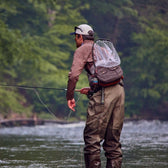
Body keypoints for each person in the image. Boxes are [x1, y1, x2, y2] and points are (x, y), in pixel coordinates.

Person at [66, 24, 125, 168]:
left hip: (105, 95)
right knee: (113, 142)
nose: (75, 39)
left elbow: (73, 76)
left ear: (80, 37)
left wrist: (70, 96)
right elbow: (107, 76)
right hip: (119, 92)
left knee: (92, 139)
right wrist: (93, 89)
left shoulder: (82, 49)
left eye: (75, 36)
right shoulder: (102, 49)